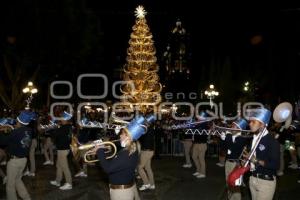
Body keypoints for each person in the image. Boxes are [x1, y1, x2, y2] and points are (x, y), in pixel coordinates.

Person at [95, 115, 155, 200]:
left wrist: (100, 151)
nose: (120, 136)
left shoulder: (126, 154)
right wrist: (105, 148)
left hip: (121, 193)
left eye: (122, 134)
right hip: (125, 188)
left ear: (128, 138)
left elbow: (108, 168)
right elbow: (117, 160)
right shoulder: (133, 148)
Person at [243, 108, 280, 200]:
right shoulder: (253, 139)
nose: (250, 124)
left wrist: (254, 159)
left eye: (253, 122)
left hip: (266, 182)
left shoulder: (272, 141)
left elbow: (275, 165)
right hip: (252, 179)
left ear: (262, 124)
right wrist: (245, 160)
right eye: (250, 121)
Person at [0, 111, 36, 200]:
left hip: (14, 162)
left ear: (19, 121)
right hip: (23, 160)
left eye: (17, 120)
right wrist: (10, 129)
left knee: (10, 185)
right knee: (18, 180)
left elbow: (2, 142)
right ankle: (27, 198)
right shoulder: (29, 131)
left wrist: (1, 130)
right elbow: (16, 135)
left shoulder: (16, 132)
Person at [220, 118, 250, 200]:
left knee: (235, 184)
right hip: (228, 162)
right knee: (228, 183)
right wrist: (222, 139)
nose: (232, 127)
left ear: (239, 128)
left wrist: (228, 136)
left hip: (236, 164)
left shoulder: (242, 138)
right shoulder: (231, 136)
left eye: (234, 126)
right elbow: (224, 148)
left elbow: (233, 148)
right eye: (232, 125)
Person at [50, 111, 73, 190]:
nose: (61, 119)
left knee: (64, 167)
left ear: (65, 119)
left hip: (63, 149)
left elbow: (54, 134)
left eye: (62, 118)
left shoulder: (64, 127)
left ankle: (69, 183)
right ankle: (57, 181)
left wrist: (53, 126)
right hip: (64, 148)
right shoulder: (69, 127)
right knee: (59, 166)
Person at [138, 124, 155, 191]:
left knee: (139, 168)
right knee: (148, 168)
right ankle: (152, 184)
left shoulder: (146, 129)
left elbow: (139, 137)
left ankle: (146, 183)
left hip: (146, 151)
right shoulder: (150, 129)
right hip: (149, 151)